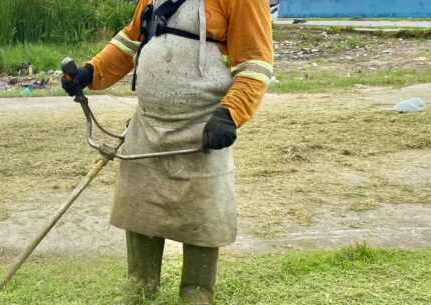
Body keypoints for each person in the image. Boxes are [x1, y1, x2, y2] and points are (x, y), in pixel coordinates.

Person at [61, 0, 273, 304]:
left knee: (203, 215)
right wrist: (91, 72)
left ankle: (197, 293)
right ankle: (140, 289)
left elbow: (255, 62)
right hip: (147, 126)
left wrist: (230, 113)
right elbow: (131, 40)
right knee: (140, 209)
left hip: (202, 129)